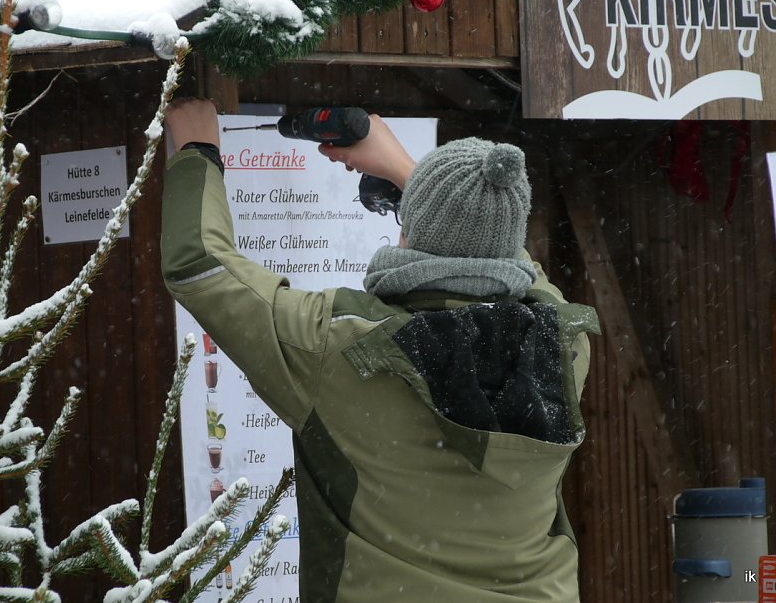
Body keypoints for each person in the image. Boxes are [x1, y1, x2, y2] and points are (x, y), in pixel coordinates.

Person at [160, 98, 600, 602]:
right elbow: (510, 264)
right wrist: (422, 181)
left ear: (409, 229)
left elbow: (201, 265)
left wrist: (197, 146)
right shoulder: (564, 346)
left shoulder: (339, 347)